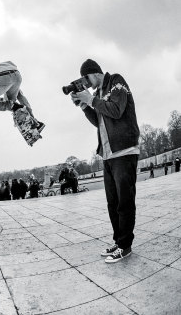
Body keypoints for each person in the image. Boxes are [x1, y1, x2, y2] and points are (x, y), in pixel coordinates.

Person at [70, 58, 140, 263]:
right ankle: (119, 241)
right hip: (108, 154)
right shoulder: (98, 94)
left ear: (96, 72)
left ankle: (125, 246)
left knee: (124, 202)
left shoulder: (116, 81)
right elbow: (98, 121)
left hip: (125, 151)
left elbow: (117, 111)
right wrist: (85, 106)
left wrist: (91, 100)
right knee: (113, 203)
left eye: (86, 77)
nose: (86, 83)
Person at [0, 61, 45, 133]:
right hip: (16, 75)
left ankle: (11, 106)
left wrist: (2, 101)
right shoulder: (1, 65)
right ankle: (35, 122)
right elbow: (20, 95)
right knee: (13, 99)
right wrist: (30, 114)